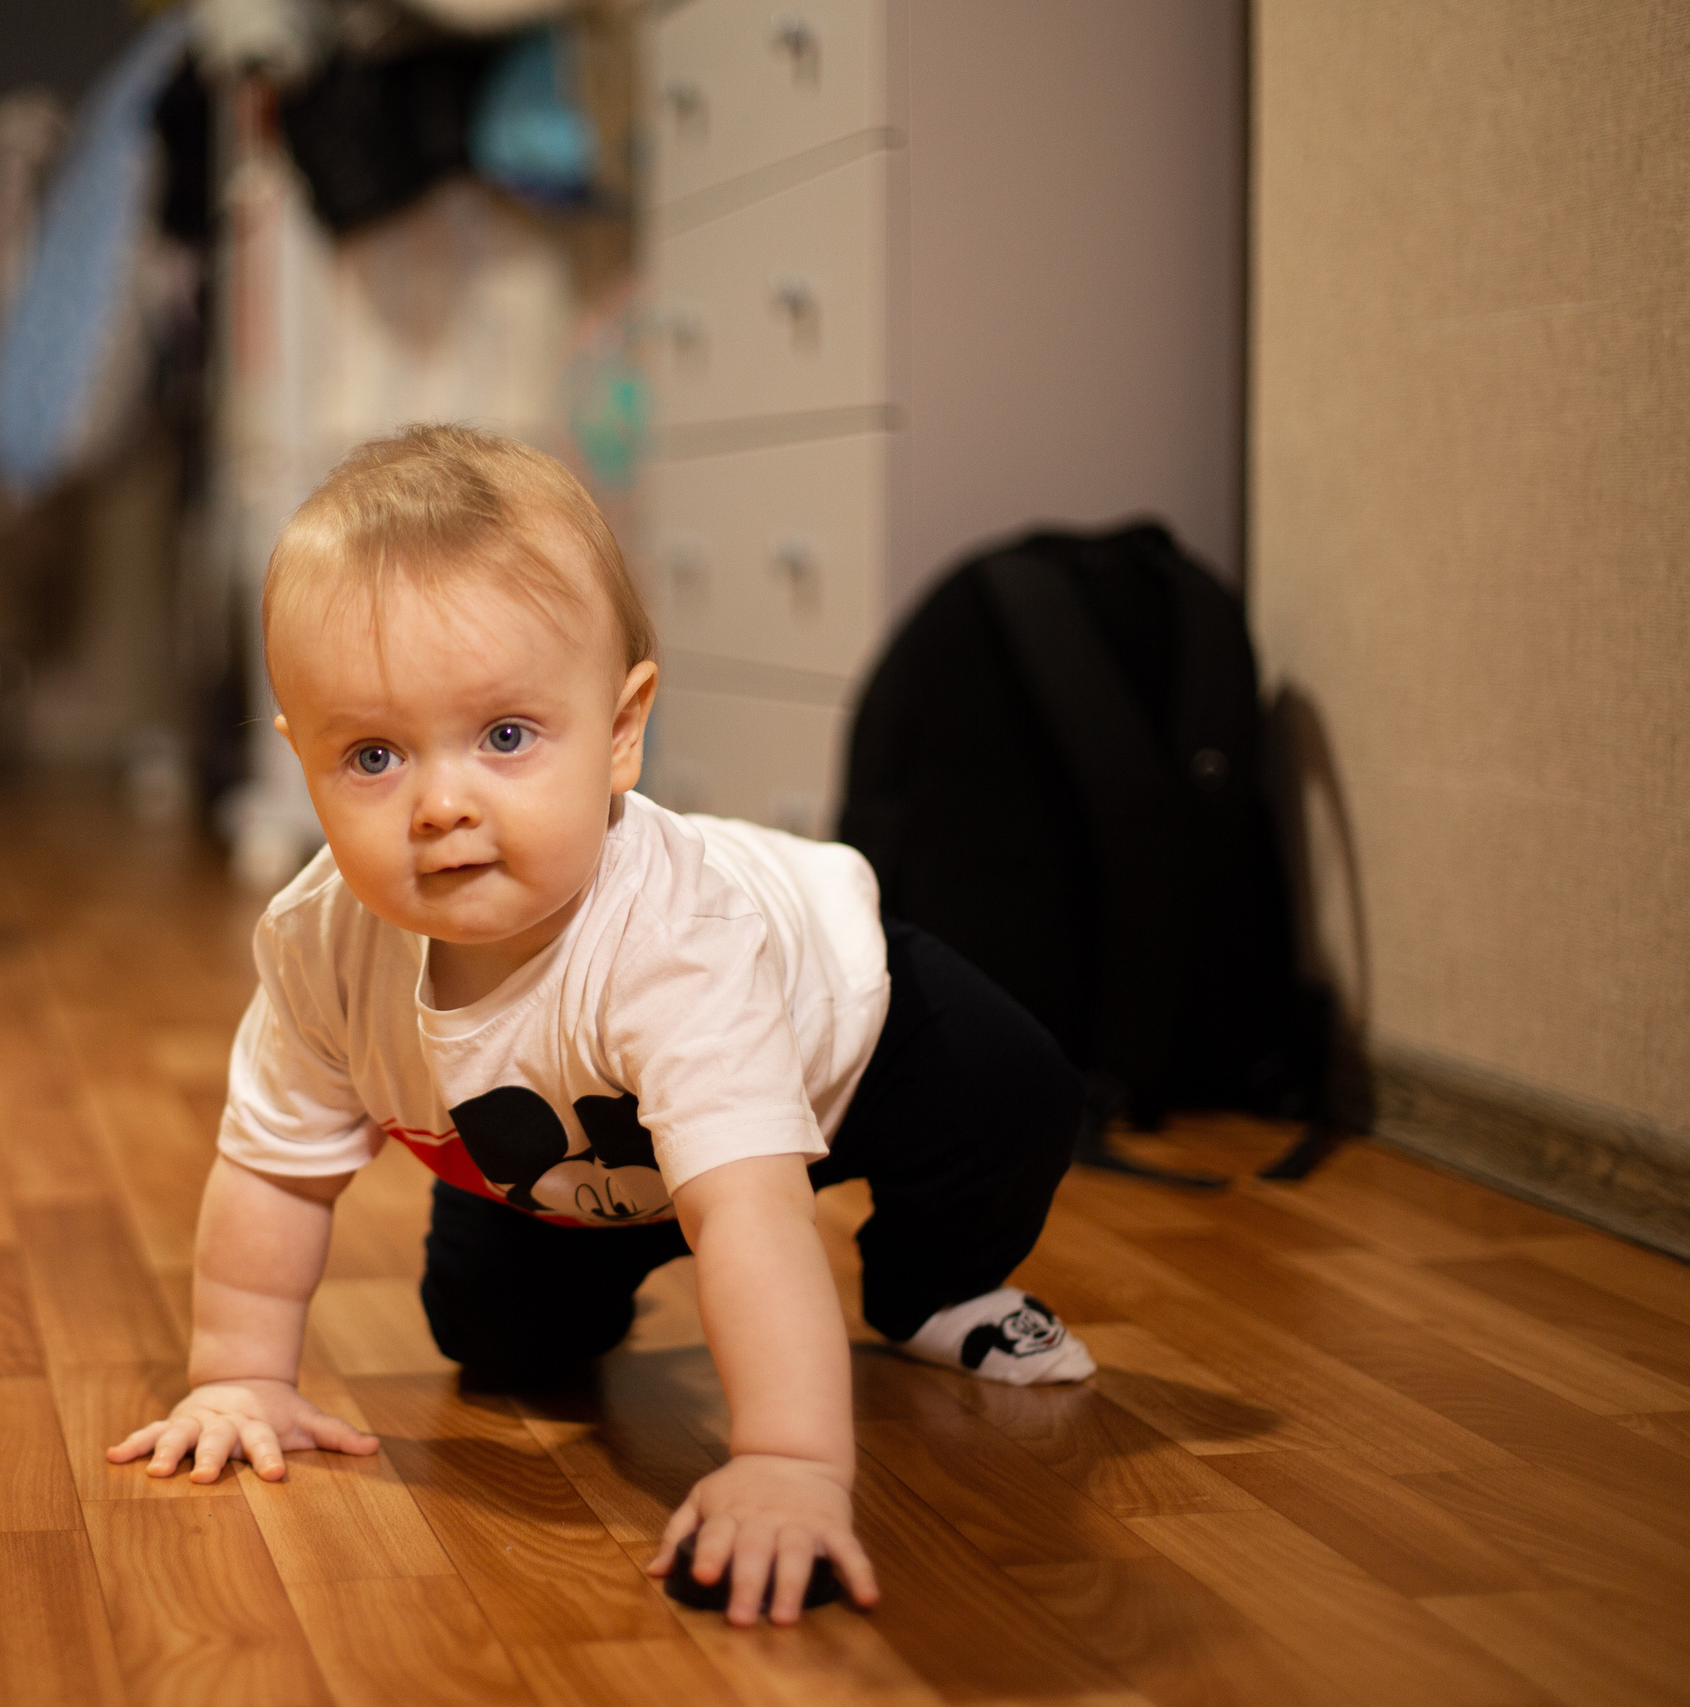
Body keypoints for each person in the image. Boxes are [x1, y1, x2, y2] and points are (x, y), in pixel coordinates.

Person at [108, 424, 1095, 1626]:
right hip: (590, 1160)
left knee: (1016, 1094)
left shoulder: (677, 945)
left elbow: (751, 1216)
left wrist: (789, 1463)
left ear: (623, 731)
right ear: (300, 764)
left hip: (851, 1033)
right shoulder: (320, 945)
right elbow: (271, 1174)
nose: (440, 805)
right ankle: (580, 1231)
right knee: (496, 1343)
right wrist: (241, 1380)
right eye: (371, 755)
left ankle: (934, 1284)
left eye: (506, 737)